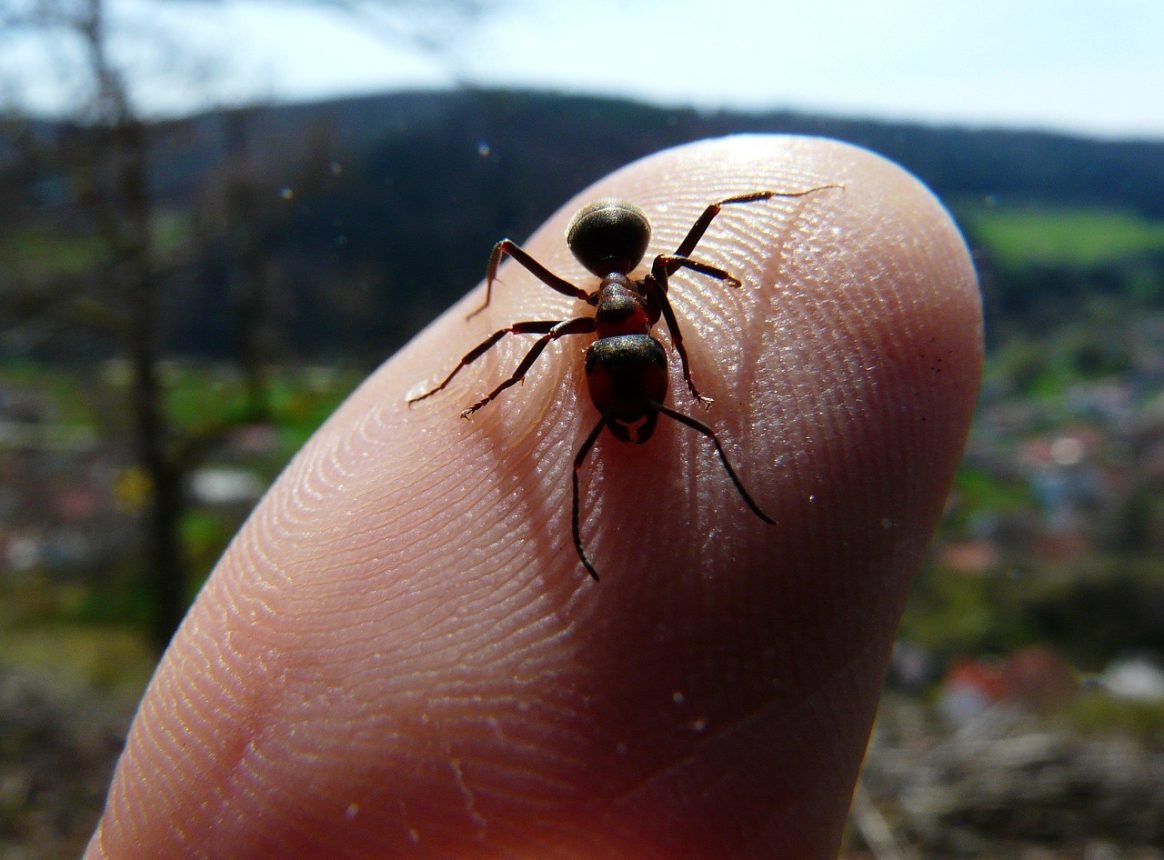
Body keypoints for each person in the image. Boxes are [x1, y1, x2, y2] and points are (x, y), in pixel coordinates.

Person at [86, 135, 982, 858]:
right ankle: (465, 376)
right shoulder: (584, 318)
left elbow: (677, 308)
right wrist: (470, 384)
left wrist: (717, 304)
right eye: (617, 371)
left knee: (711, 221)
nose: (627, 387)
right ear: (602, 351)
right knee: (516, 324)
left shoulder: (654, 294)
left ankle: (792, 210)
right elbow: (542, 337)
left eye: (629, 371)